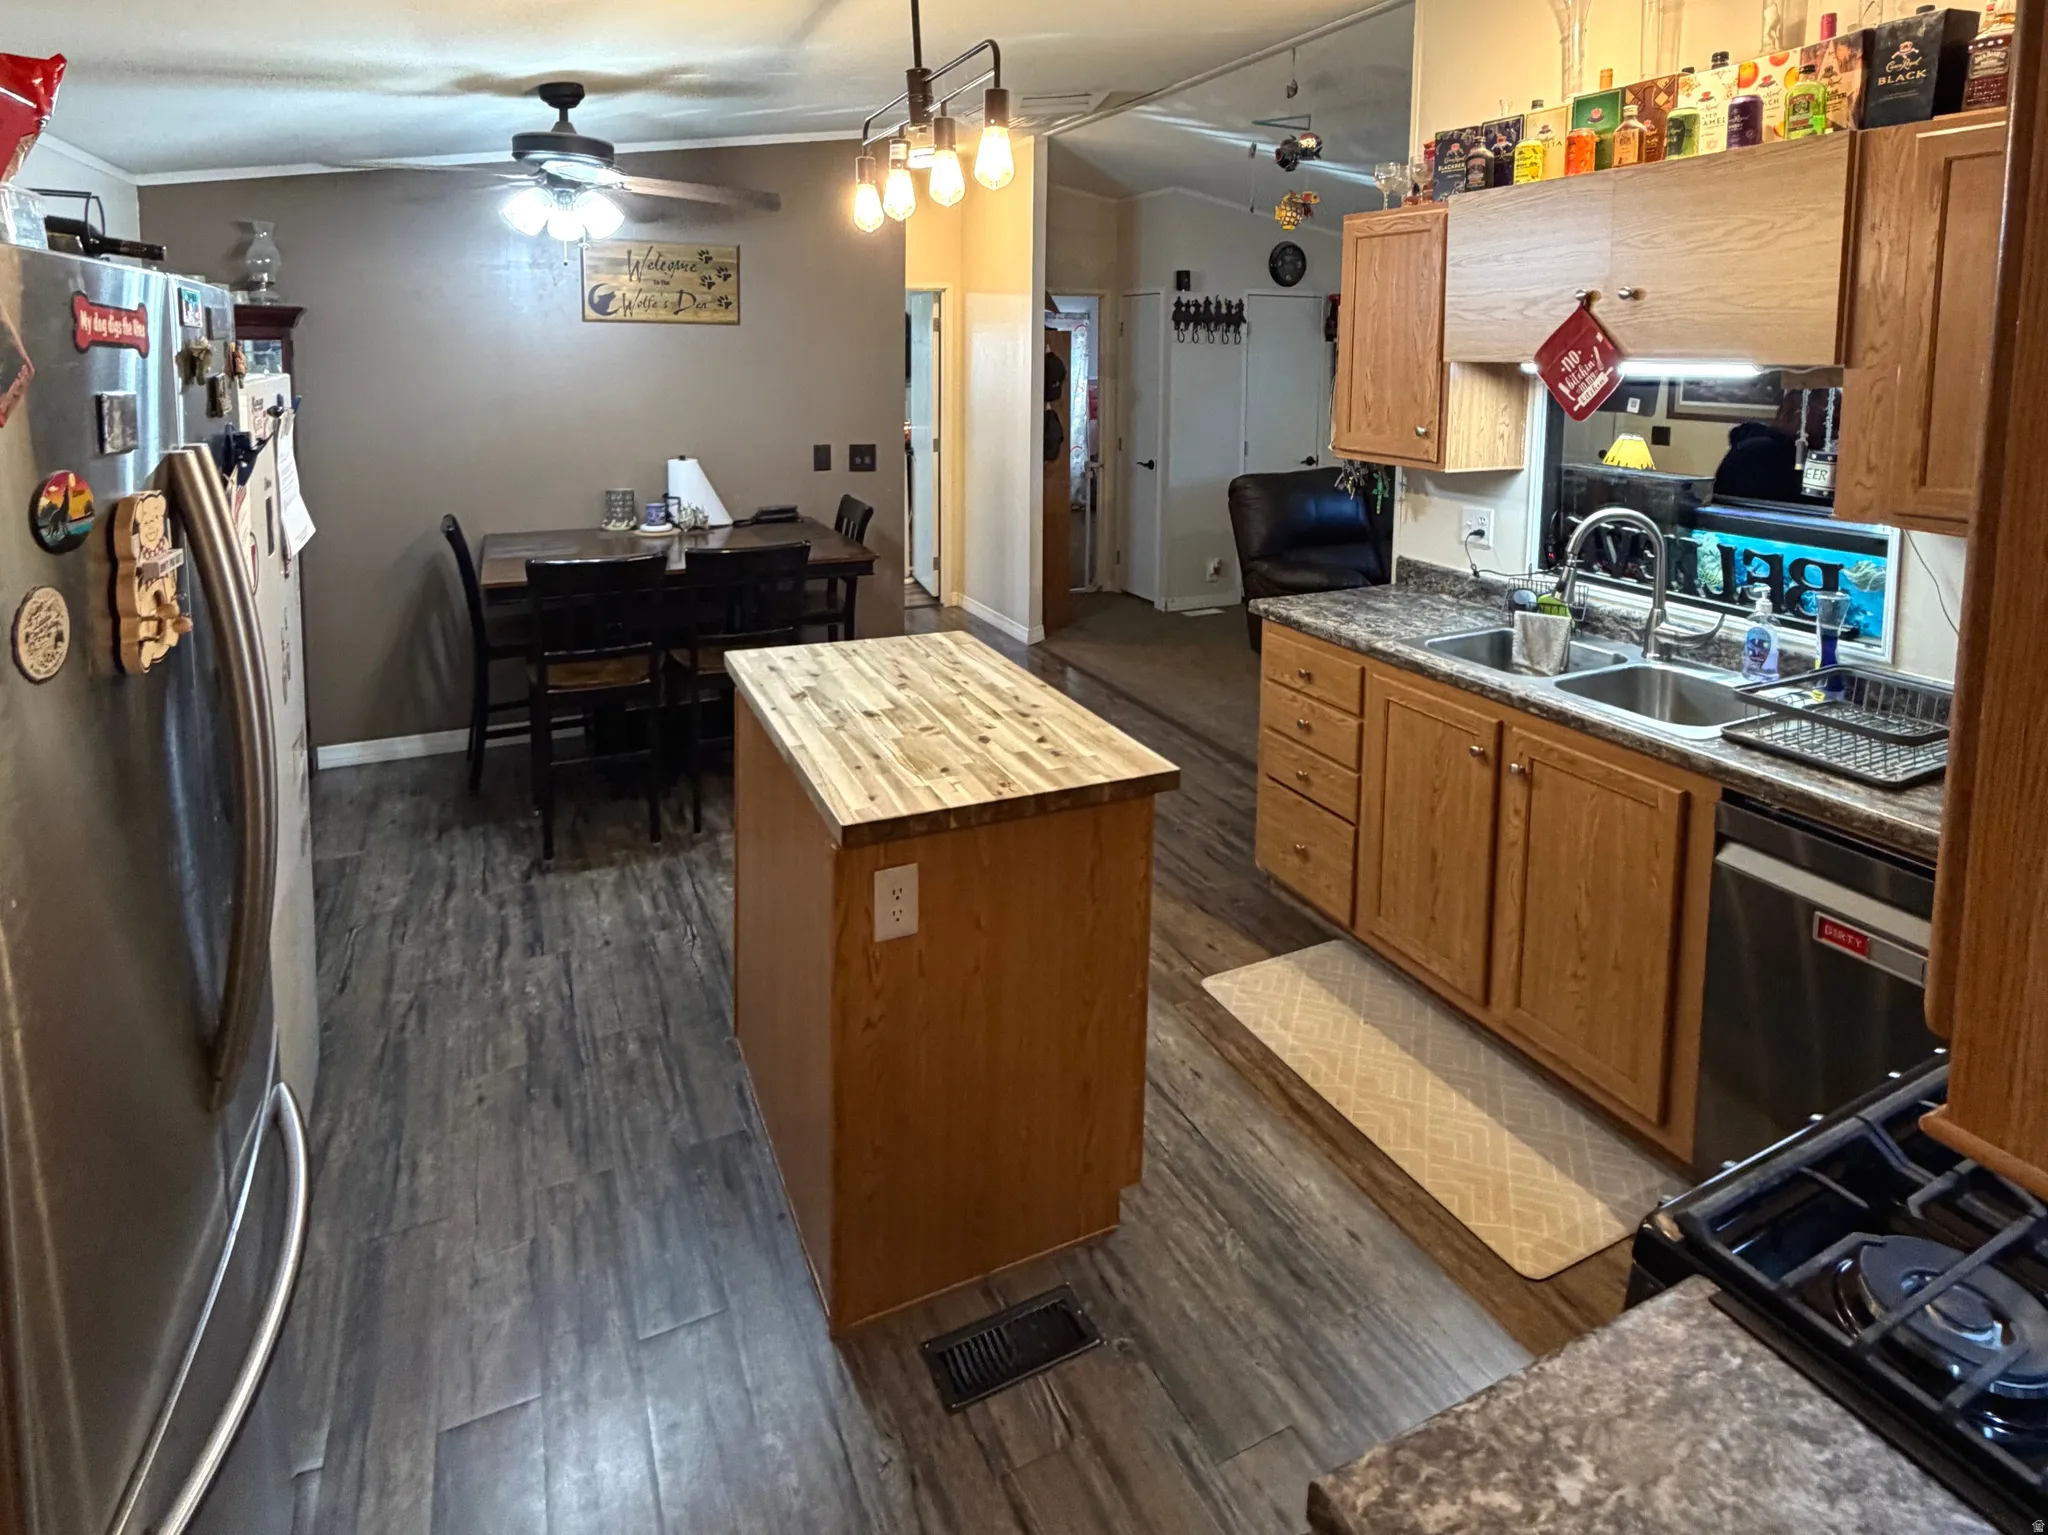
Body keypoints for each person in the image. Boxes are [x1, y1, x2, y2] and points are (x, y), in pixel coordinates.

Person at [1712, 393, 1805, 503]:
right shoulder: (1760, 454)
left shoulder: (1753, 449)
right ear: (1798, 415)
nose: (1822, 425)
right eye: (1820, 415)